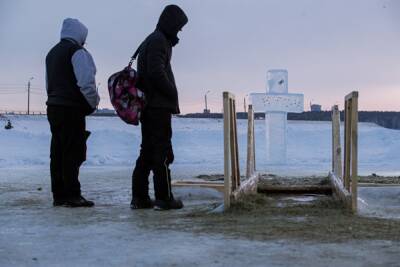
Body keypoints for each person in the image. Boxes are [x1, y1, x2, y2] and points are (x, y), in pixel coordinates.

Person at [131, 5, 188, 210]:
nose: (179, 31)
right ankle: (164, 198)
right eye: (178, 26)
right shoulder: (158, 41)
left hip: (152, 106)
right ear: (170, 23)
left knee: (147, 151)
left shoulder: (154, 39)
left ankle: (140, 197)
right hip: (157, 107)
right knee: (161, 153)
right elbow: (156, 72)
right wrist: (171, 92)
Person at [45, 18, 100, 207]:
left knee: (58, 151)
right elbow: (86, 82)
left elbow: (48, 83)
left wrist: (54, 100)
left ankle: (59, 195)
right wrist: (93, 103)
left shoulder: (51, 53)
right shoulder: (77, 52)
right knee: (73, 151)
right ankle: (73, 195)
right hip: (71, 109)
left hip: (53, 107)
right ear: (79, 36)